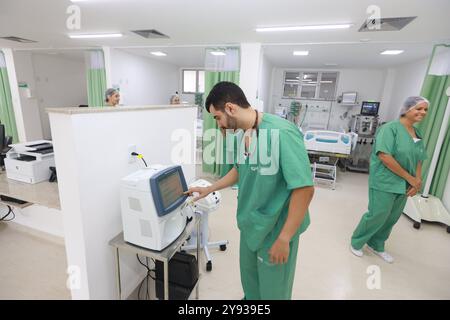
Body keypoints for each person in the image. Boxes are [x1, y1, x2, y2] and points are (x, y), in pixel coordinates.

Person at [185, 82, 314, 299]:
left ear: (231, 108)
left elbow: (304, 189)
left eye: (217, 118)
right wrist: (209, 189)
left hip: (276, 228)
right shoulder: (242, 134)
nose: (218, 125)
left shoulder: (282, 133)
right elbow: (239, 169)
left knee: (273, 292)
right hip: (250, 224)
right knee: (251, 286)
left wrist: (284, 238)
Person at [350, 96, 429, 263]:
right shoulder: (390, 129)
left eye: (425, 110)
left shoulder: (417, 133)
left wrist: (418, 180)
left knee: (392, 217)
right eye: (419, 108)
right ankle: (357, 242)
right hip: (385, 180)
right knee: (378, 214)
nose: (423, 112)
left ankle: (376, 245)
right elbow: (385, 156)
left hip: (405, 184)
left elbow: (419, 157)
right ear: (407, 109)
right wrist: (410, 178)